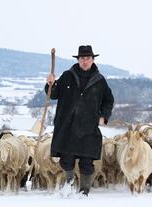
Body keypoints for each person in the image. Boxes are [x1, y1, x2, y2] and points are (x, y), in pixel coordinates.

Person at [45, 45, 114, 196]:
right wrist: (51, 83)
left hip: (88, 127)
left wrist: (104, 116)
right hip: (67, 126)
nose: (85, 61)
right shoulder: (67, 75)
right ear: (78, 59)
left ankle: (84, 192)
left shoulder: (100, 81)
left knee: (87, 162)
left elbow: (108, 100)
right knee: (66, 160)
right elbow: (54, 94)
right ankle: (68, 186)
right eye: (82, 58)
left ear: (92, 60)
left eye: (88, 58)